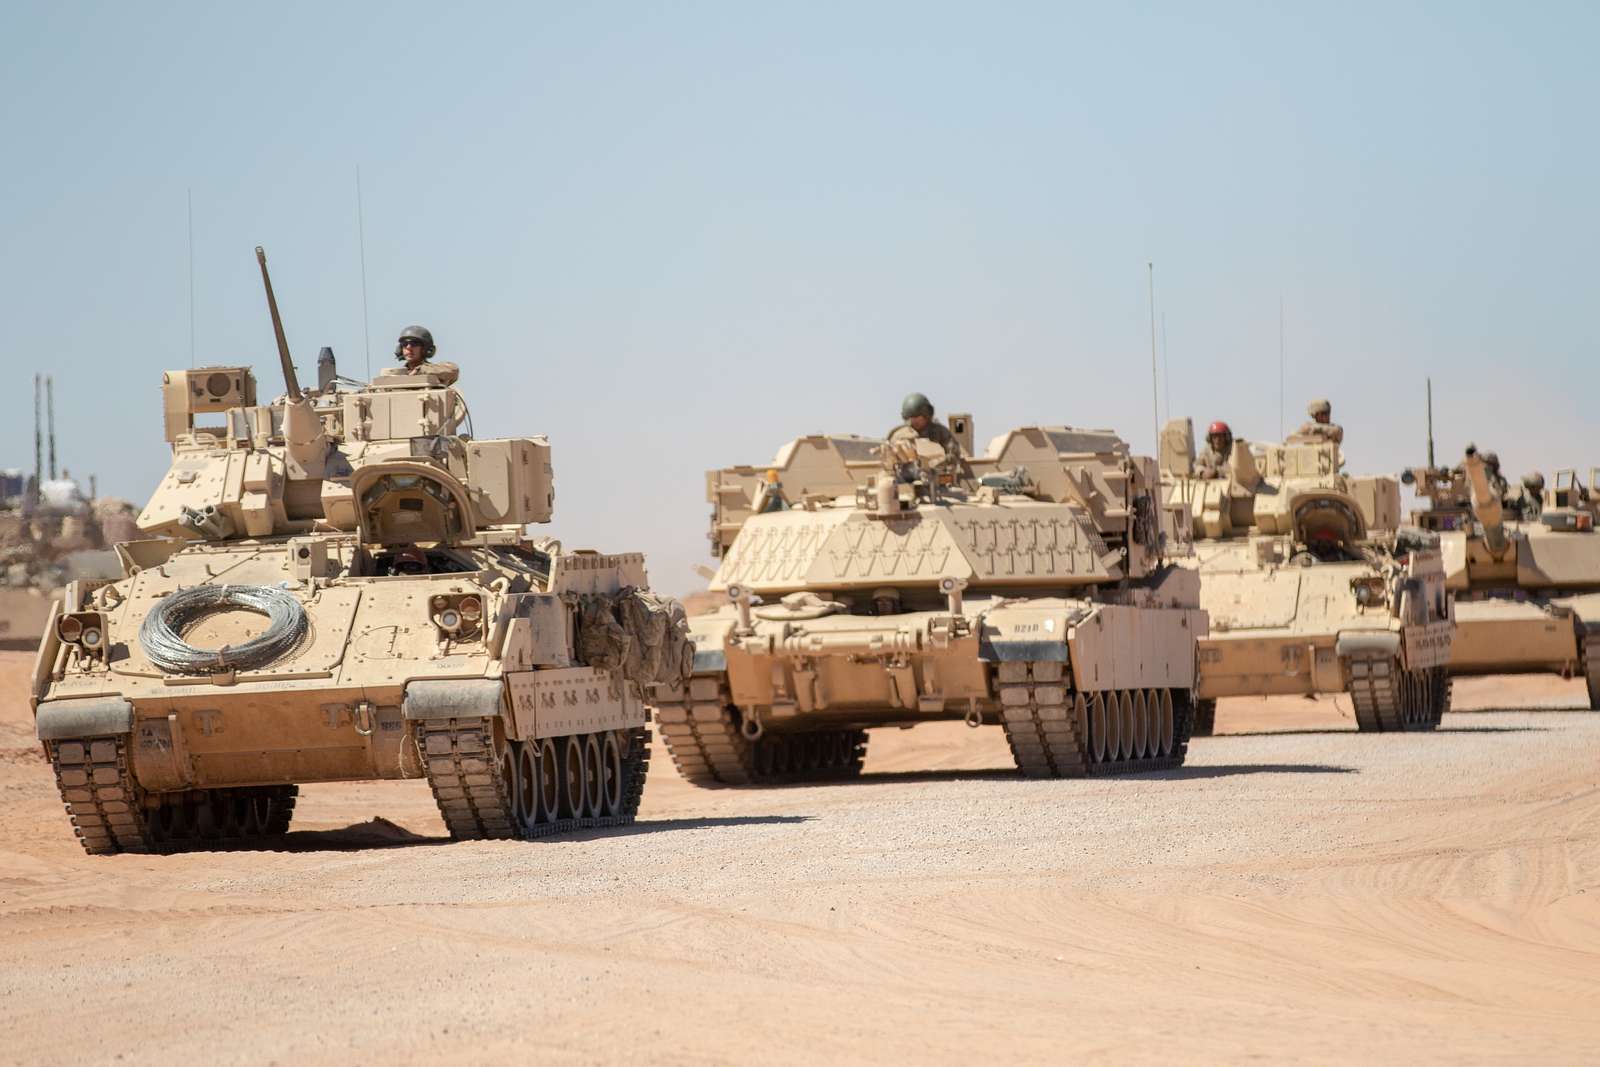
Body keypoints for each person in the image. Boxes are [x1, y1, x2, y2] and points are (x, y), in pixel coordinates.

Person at [887, 392, 959, 456]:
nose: (916, 422)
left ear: (926, 417)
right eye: (913, 419)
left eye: (919, 419)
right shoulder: (900, 434)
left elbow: (952, 450)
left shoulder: (940, 432)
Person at [394, 325, 459, 386]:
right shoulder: (396, 376)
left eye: (414, 343)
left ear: (425, 348)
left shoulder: (436, 372)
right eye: (404, 344)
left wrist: (419, 370)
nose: (408, 347)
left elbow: (453, 370)